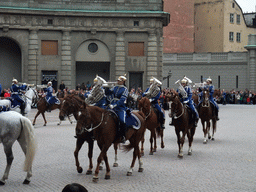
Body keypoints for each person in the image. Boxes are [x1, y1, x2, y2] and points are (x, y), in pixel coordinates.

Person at [104, 74, 128, 143]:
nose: (118, 82)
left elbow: (122, 100)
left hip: (120, 108)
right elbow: (108, 93)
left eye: (119, 81)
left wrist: (114, 105)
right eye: (118, 80)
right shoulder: (115, 87)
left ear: (123, 82)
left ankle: (123, 136)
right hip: (111, 105)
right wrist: (107, 87)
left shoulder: (125, 89)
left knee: (122, 121)